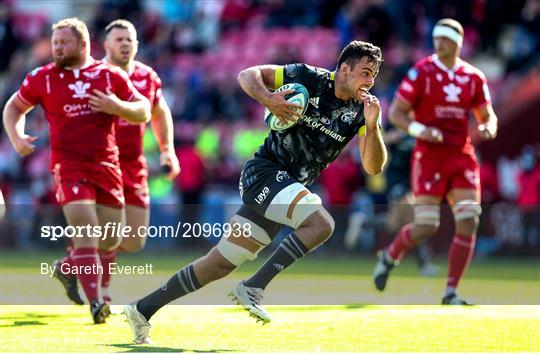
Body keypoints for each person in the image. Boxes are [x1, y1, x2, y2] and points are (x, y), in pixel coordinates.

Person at [123, 40, 386, 344]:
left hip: (288, 188)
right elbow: (247, 75)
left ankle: (141, 309)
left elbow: (374, 167)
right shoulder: (307, 76)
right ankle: (254, 286)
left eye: (374, 76)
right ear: (344, 69)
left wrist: (373, 125)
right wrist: (269, 100)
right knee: (322, 224)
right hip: (263, 174)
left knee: (219, 262)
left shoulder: (360, 112)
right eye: (365, 73)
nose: (370, 82)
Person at [2, 17, 151, 323]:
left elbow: (143, 110)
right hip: (68, 165)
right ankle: (97, 302)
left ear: (83, 45)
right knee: (85, 228)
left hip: (107, 165)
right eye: (54, 43)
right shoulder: (42, 77)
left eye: (63, 42)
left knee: (110, 239)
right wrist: (16, 136)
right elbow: (14, 108)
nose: (57, 48)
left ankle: (68, 268)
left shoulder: (109, 76)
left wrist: (118, 107)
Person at [53, 19, 180, 304]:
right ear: (105, 45)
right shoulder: (93, 75)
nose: (125, 44)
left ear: (137, 44)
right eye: (118, 39)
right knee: (107, 231)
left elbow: (159, 112)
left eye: (130, 39)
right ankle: (102, 290)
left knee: (134, 240)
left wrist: (167, 149)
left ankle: (69, 265)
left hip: (133, 164)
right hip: (98, 162)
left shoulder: (147, 77)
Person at [372, 18, 498, 305]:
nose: (438, 43)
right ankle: (390, 256)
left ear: (458, 42)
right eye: (436, 38)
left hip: (461, 155)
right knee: (426, 226)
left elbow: (487, 114)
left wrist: (489, 126)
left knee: (469, 219)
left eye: (445, 39)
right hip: (429, 156)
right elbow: (396, 115)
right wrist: (420, 130)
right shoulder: (421, 72)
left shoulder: (473, 77)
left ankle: (451, 292)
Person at [383, 125, 439, 277]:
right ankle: (424, 265)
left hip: (413, 179)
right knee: (416, 220)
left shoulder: (420, 123)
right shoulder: (395, 120)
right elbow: (383, 138)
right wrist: (398, 135)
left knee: (395, 223)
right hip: (397, 179)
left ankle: (364, 222)